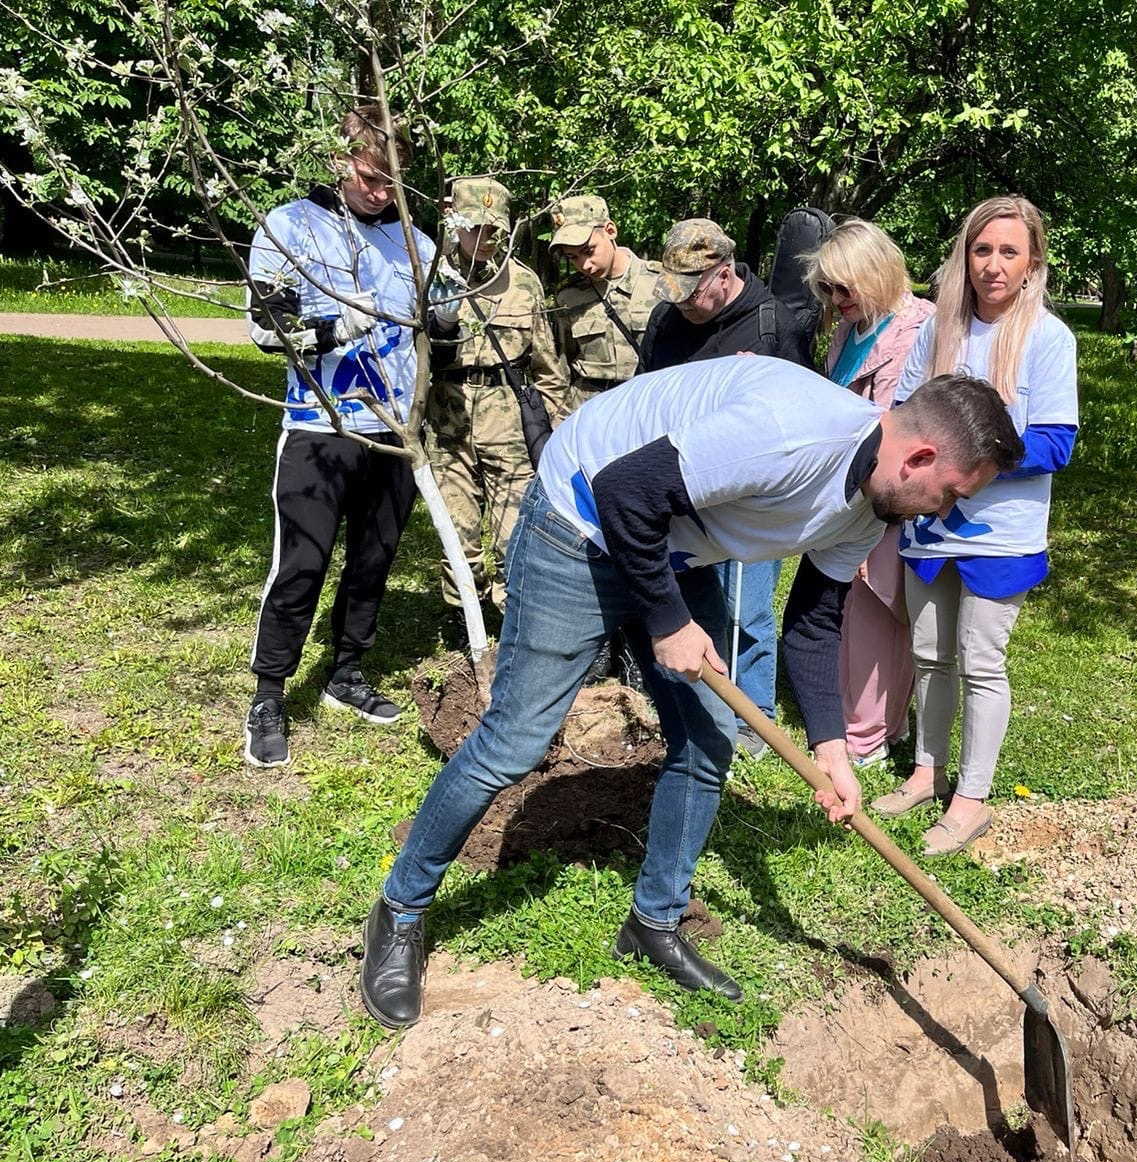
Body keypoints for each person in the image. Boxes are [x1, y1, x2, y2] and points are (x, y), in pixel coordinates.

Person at [358, 357, 1024, 1028]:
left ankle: (654, 922)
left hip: (676, 540)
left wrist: (831, 746)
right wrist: (670, 621)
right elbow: (624, 490)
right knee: (515, 741)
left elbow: (815, 623)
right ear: (921, 456)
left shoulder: (873, 509)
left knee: (708, 741)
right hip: (582, 520)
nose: (946, 512)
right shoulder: (789, 433)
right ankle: (401, 909)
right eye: (952, 493)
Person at [873, 195, 1079, 856]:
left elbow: (1055, 443)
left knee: (981, 663)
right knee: (930, 656)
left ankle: (971, 800)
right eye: (982, 250)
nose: (993, 265)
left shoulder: (1049, 338)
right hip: (930, 529)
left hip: (1002, 539)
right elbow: (905, 414)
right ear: (965, 256)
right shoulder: (939, 331)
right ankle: (928, 773)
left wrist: (975, 462)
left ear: (1032, 262)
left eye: (1008, 252)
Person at [241, 105, 437, 769]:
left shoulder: (414, 239)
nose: (381, 193)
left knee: (374, 559)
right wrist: (333, 330)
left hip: (394, 432)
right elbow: (265, 329)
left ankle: (346, 672)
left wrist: (453, 297)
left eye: (392, 183)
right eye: (370, 177)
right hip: (320, 429)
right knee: (301, 563)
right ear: (339, 161)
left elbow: (443, 314)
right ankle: (269, 693)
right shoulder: (290, 225)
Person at [637, 218, 813, 756]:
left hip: (747, 497)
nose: (684, 303)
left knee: (747, 608)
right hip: (680, 490)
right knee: (693, 604)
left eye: (694, 291)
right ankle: (699, 707)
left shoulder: (772, 325)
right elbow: (645, 390)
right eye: (677, 291)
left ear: (724, 272)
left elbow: (801, 412)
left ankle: (753, 716)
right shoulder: (668, 318)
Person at [802, 219, 935, 766]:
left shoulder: (918, 327)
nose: (835, 300)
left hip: (891, 493)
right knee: (858, 604)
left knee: (881, 605)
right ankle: (879, 723)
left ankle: (867, 737)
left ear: (875, 274)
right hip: (851, 491)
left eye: (843, 287)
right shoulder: (844, 333)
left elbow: (908, 423)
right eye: (826, 289)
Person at [427, 175, 563, 621]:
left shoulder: (523, 284)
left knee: (515, 534)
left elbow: (546, 365)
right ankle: (466, 618)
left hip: (508, 420)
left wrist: (559, 431)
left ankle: (513, 622)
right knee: (457, 533)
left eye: (496, 229)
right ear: (454, 222)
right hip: (448, 420)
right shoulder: (427, 275)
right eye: (477, 227)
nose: (487, 238)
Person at [549, 195, 664, 418]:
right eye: (572, 257)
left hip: (648, 409)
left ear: (610, 231)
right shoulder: (569, 296)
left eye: (589, 251)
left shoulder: (659, 283)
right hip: (591, 413)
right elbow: (560, 366)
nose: (584, 265)